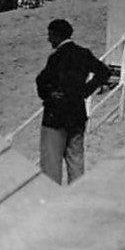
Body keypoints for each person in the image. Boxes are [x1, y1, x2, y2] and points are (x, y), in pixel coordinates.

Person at [35, 18, 113, 185]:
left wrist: (49, 95)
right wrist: (85, 91)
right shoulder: (83, 53)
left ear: (57, 35)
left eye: (50, 35)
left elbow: (41, 82)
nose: (49, 39)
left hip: (55, 117)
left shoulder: (56, 58)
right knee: (76, 160)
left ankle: (53, 200)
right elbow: (104, 72)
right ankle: (76, 195)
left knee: (51, 165)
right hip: (77, 113)